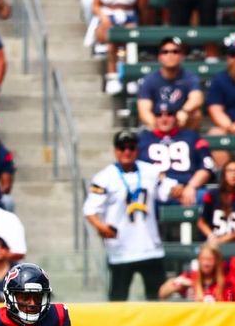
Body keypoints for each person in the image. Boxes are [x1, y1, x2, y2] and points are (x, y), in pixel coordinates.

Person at [84, 130, 177, 301]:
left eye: (131, 147)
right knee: (118, 301)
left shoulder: (150, 170)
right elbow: (90, 210)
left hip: (150, 247)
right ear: (115, 150)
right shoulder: (104, 177)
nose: (127, 152)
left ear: (137, 150)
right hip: (121, 249)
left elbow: (169, 190)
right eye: (122, 148)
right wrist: (101, 227)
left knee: (157, 301)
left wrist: (180, 189)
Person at [138, 102, 214, 206]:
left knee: (206, 196)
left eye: (169, 114)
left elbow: (206, 166)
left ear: (176, 117)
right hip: (156, 190)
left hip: (189, 188)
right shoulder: (143, 140)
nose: (164, 119)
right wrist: (167, 185)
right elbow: (139, 168)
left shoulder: (192, 137)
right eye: (159, 115)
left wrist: (191, 187)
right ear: (154, 117)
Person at [136, 36, 203, 130]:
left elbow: (197, 98)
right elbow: (144, 110)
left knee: (196, 114)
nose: (170, 55)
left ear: (182, 56)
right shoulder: (149, 80)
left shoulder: (189, 77)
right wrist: (158, 127)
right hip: (158, 124)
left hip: (181, 123)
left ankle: (188, 138)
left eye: (175, 51)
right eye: (165, 52)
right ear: (159, 57)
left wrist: (184, 111)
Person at [198, 159, 235, 246]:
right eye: (230, 171)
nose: (233, 174)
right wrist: (211, 236)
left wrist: (230, 236)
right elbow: (202, 222)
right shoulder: (212, 195)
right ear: (224, 174)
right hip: (213, 244)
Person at [158, 244, 226, 302]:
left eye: (210, 259)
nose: (205, 263)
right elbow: (162, 293)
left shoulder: (226, 277)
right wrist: (187, 283)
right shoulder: (191, 275)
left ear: (217, 261)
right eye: (203, 259)